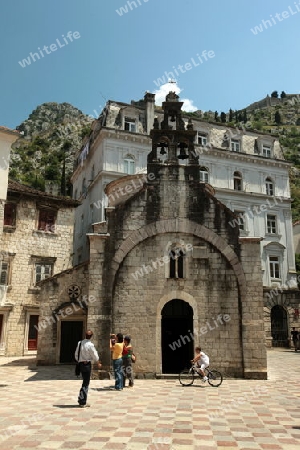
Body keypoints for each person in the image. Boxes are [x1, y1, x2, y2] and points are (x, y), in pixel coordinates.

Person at [74, 330, 101, 407]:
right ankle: (82, 401)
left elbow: (76, 355)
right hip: (86, 365)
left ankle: (81, 399)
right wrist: (98, 362)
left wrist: (80, 360)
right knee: (86, 383)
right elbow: (95, 356)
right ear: (91, 336)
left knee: (84, 382)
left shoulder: (79, 343)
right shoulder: (90, 345)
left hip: (80, 364)